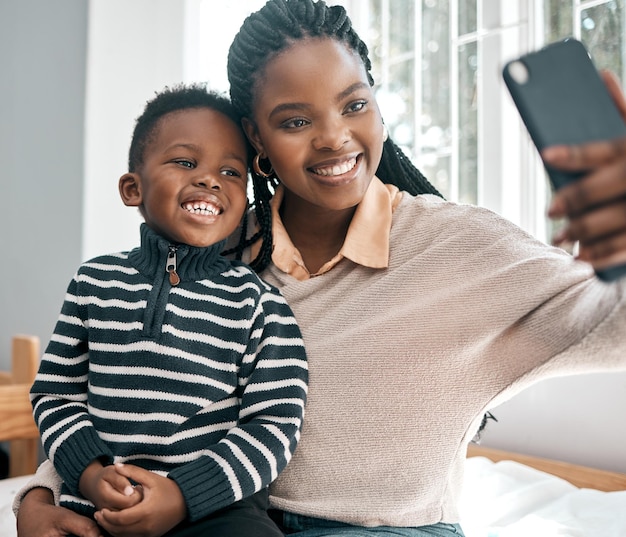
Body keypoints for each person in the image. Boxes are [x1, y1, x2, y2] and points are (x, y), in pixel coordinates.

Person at [14, 1, 626, 536]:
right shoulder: (216, 252)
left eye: (354, 104)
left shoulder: (463, 245)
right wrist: (37, 495)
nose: (335, 138)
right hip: (219, 519)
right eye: (296, 121)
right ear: (257, 140)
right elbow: (120, 386)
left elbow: (610, 325)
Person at [24, 83, 308, 537]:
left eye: (231, 172)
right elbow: (56, 395)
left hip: (211, 511)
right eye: (185, 162)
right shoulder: (93, 282)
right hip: (96, 505)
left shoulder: (260, 303)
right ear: (132, 188)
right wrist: (91, 475)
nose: (210, 179)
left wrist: (184, 497)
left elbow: (275, 424)